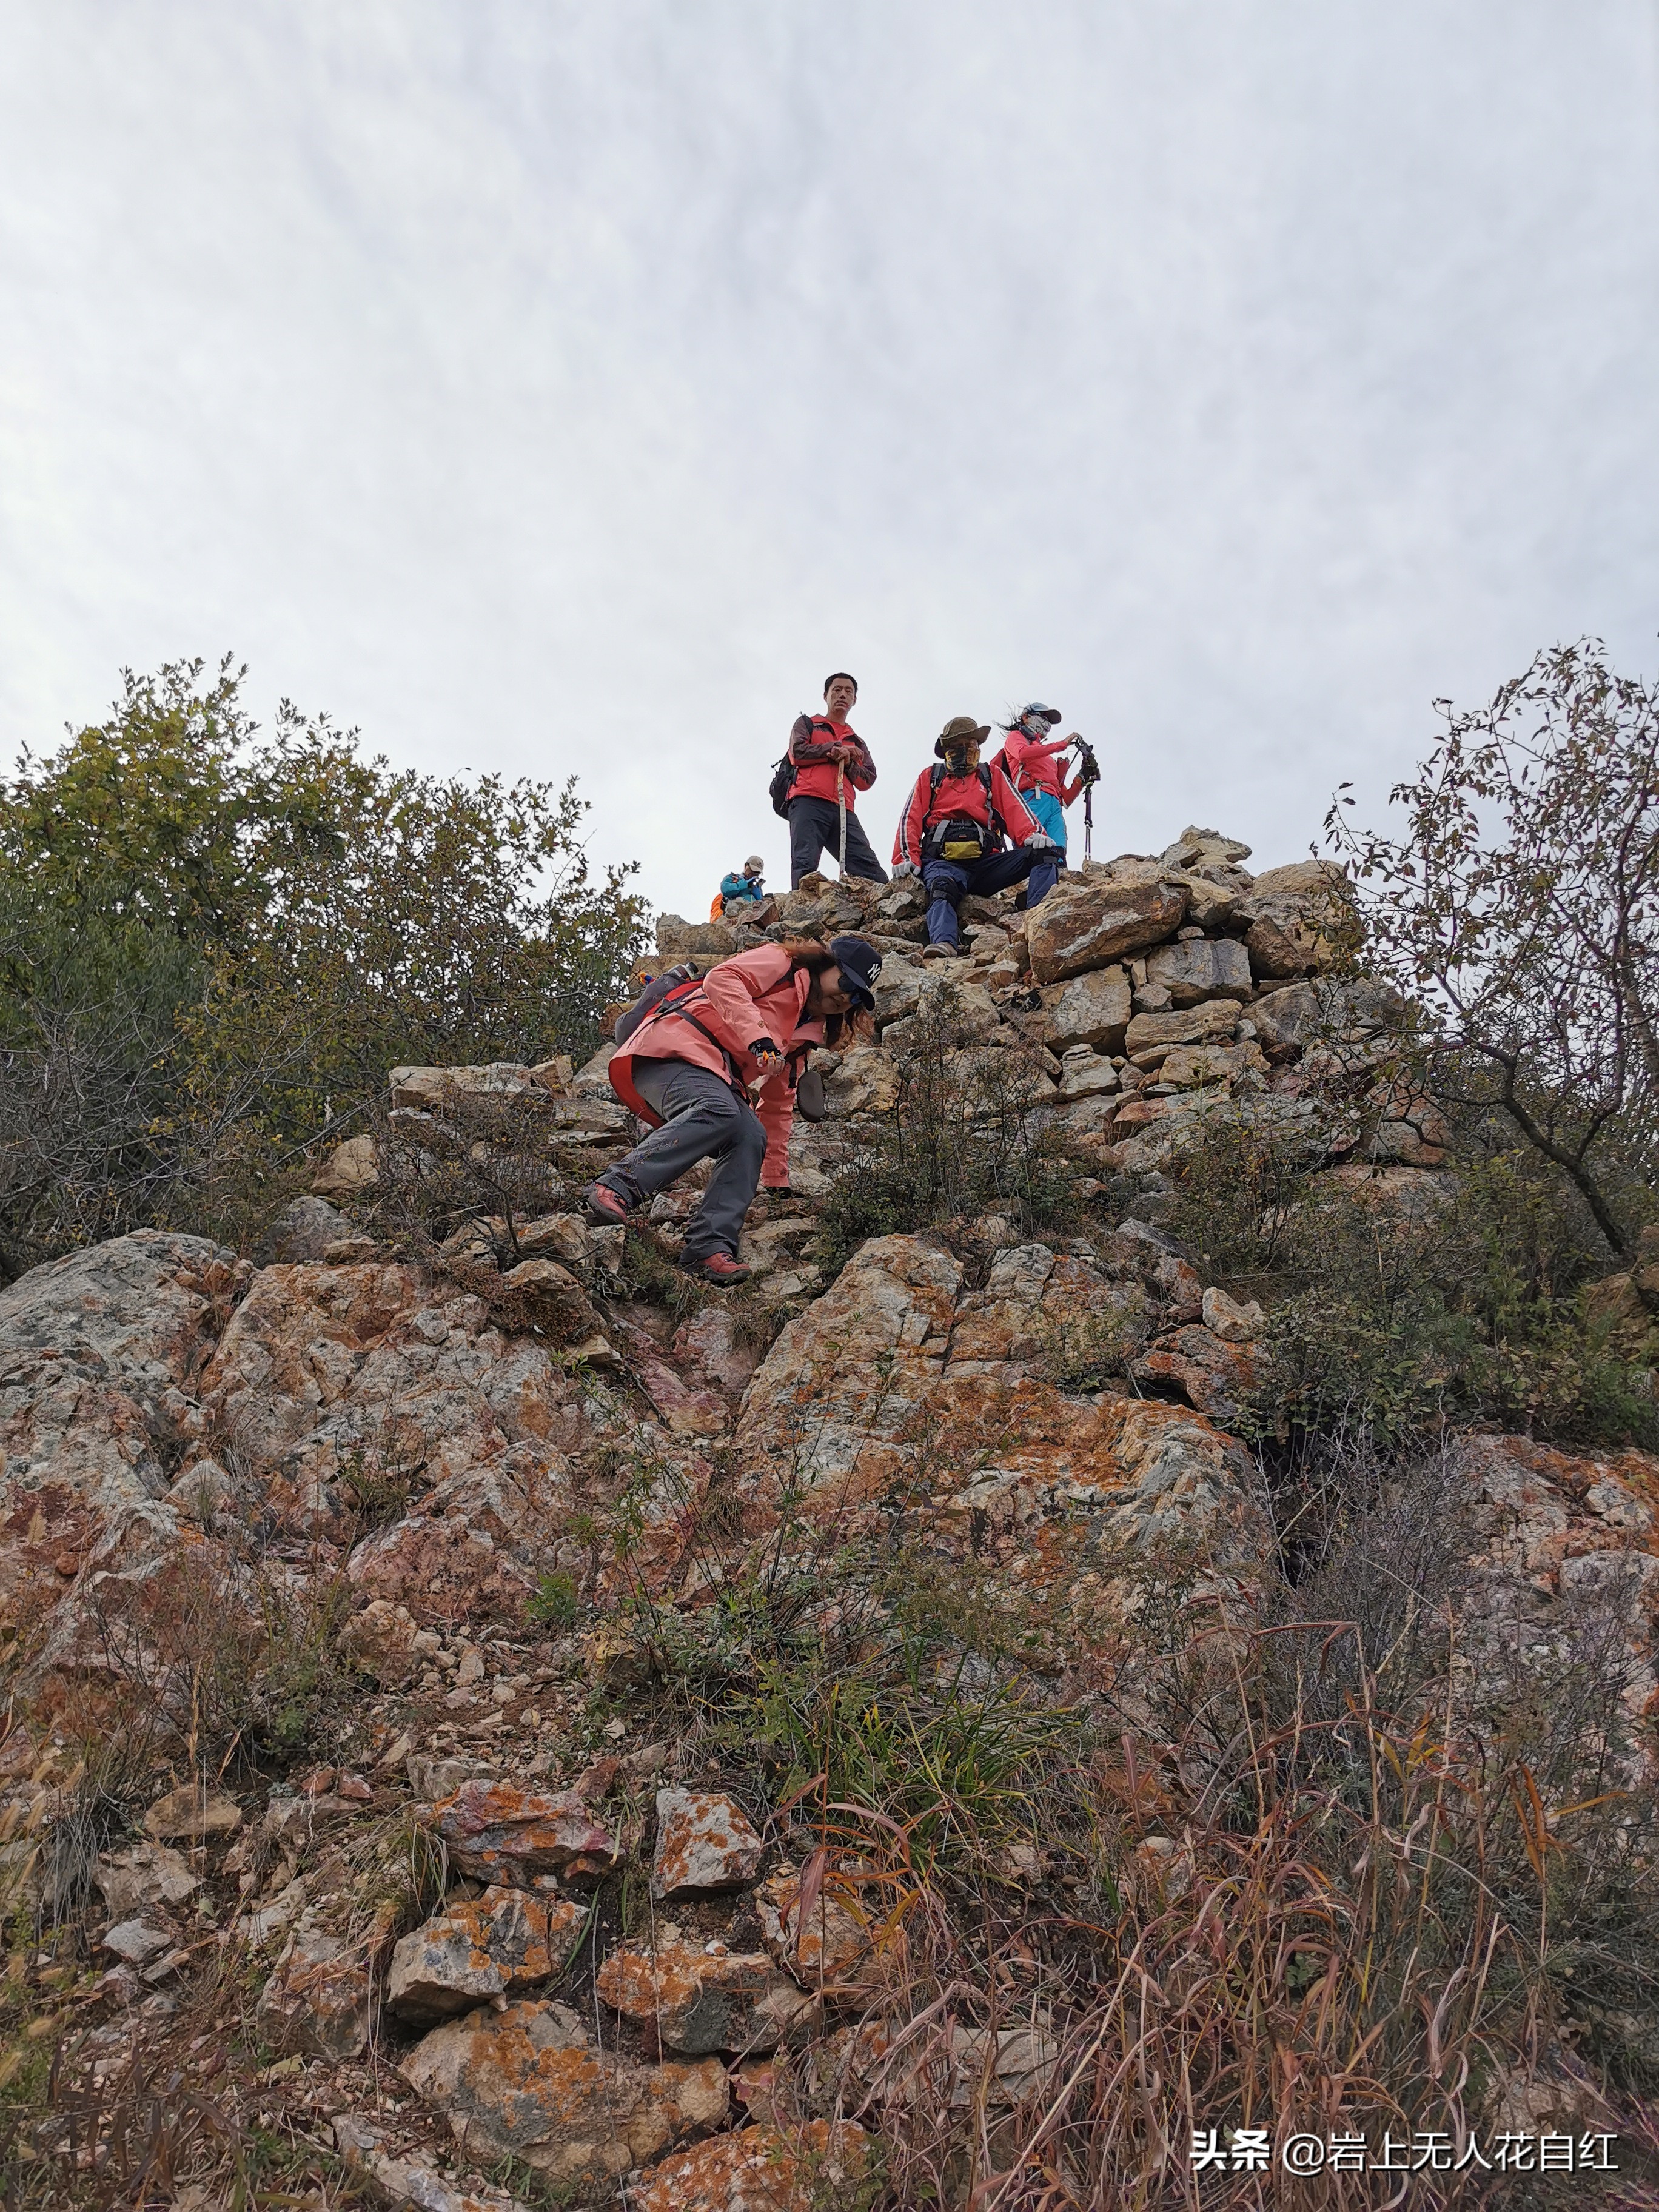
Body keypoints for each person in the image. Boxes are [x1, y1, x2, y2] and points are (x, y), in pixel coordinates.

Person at [586, 935, 882, 1284]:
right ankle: (616, 1187)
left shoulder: (804, 1039)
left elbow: (778, 1105)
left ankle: (707, 1248)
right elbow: (722, 980)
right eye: (846, 981)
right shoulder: (781, 963)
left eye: (858, 996)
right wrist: (759, 1038)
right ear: (824, 964)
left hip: (712, 1075)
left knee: (750, 1134)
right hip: (668, 1050)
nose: (846, 996)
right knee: (721, 1109)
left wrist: (776, 1178)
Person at [893, 716, 1062, 953]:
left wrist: (1032, 834)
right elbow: (910, 818)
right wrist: (906, 857)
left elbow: (1015, 808)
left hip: (987, 865)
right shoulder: (931, 777)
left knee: (1045, 854)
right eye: (957, 746)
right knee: (941, 889)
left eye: (970, 745)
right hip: (944, 863)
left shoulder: (991, 775)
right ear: (946, 751)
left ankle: (1038, 922)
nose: (965, 751)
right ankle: (944, 944)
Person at [782, 672, 888, 889]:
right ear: (826, 696)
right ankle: (802, 913)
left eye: (848, 691)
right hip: (807, 799)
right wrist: (835, 749)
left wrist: (849, 761)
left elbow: (867, 780)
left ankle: (879, 908)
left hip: (843, 808)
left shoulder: (856, 741)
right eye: (837, 690)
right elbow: (797, 753)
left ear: (854, 700)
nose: (842, 695)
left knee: (869, 867)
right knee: (805, 862)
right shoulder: (808, 724)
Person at [994, 703, 1099, 863]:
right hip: (1030, 798)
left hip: (1053, 803)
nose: (1046, 724)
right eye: (1042, 717)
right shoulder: (1017, 737)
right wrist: (1061, 745)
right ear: (1026, 718)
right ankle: (1027, 882)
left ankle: (1057, 880)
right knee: (1031, 846)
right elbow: (1022, 754)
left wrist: (1081, 778)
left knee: (1058, 851)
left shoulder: (1048, 758)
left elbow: (1065, 798)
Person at [712, 855, 768, 920]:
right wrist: (742, 885)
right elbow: (725, 890)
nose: (754, 874)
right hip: (733, 918)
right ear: (746, 866)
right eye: (753, 871)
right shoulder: (733, 878)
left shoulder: (757, 887)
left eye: (757, 873)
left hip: (752, 919)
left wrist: (760, 898)